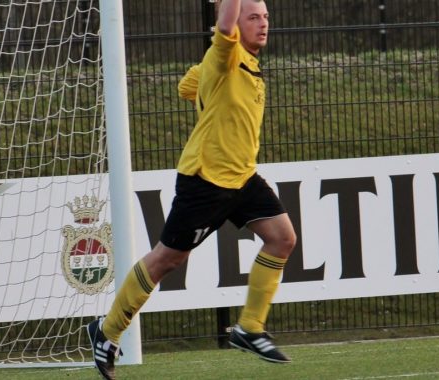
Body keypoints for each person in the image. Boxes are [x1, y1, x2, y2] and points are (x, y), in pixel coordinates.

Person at [87, 1, 296, 378]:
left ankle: (250, 327)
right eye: (253, 17)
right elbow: (224, 28)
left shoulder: (238, 64)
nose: (263, 23)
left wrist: (208, 90)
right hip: (206, 182)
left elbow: (187, 86)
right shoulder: (226, 55)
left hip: (243, 178)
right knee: (167, 259)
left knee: (282, 239)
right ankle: (106, 331)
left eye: (265, 16)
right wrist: (226, 27)